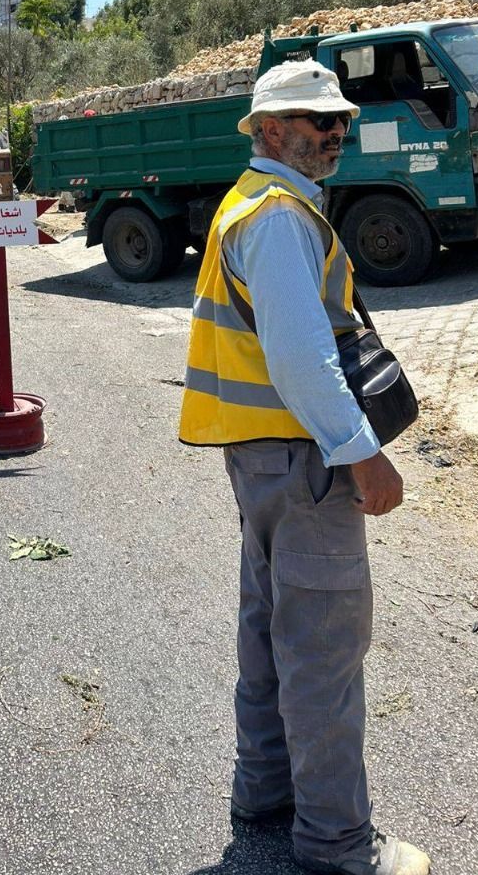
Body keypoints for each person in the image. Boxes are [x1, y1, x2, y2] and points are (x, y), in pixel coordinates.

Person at [179, 59, 429, 875]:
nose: (336, 133)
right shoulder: (280, 217)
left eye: (340, 120)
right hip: (305, 459)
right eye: (321, 120)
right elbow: (299, 357)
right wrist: (363, 454)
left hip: (262, 462)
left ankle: (265, 796)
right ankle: (336, 842)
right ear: (270, 129)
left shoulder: (249, 201)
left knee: (269, 632)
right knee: (322, 649)